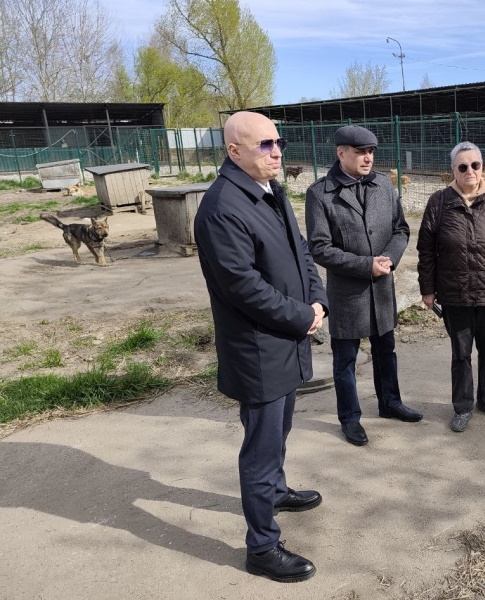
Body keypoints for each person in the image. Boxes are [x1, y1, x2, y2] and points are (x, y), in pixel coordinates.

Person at [194, 111, 328, 583]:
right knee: (261, 448)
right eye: (265, 145)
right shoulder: (222, 207)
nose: (277, 152)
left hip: (285, 340)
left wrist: (318, 299)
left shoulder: (269, 190)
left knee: (279, 432)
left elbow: (301, 251)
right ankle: (262, 548)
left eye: (279, 142)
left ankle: (274, 491)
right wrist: (302, 316)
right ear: (234, 151)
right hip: (258, 350)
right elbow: (242, 286)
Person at [305, 125, 421, 447]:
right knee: (345, 360)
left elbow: (401, 229)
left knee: (386, 351)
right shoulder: (320, 194)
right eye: (360, 152)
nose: (368, 158)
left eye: (371, 152)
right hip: (347, 294)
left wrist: (390, 259)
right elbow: (320, 248)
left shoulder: (383, 185)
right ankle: (350, 418)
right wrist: (364, 265)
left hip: (382, 289)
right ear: (341, 153)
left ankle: (390, 403)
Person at [417, 141, 485, 433]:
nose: (470, 171)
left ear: (483, 167)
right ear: (453, 170)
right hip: (455, 293)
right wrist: (427, 289)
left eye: (475, 165)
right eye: (463, 166)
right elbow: (426, 250)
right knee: (461, 353)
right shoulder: (439, 202)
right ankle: (463, 406)